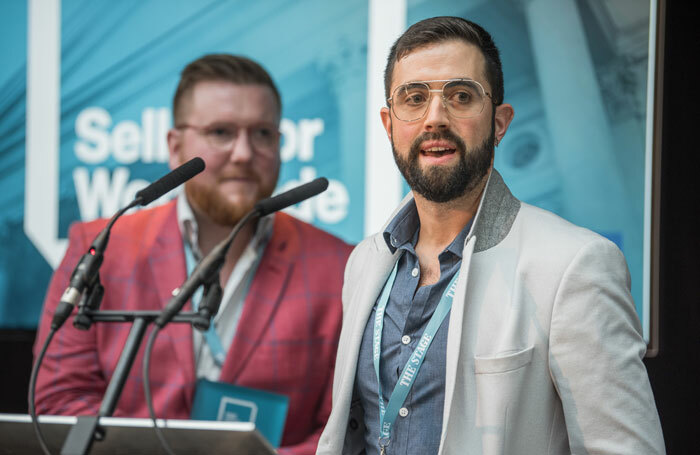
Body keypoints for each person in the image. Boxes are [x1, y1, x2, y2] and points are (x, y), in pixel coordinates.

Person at [317, 17, 665, 455]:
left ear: (499, 123)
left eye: (461, 97)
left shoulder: (575, 265)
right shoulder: (364, 263)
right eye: (414, 98)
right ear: (389, 124)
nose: (434, 118)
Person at [33, 54, 352, 454]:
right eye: (221, 132)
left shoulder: (341, 266)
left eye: (262, 134)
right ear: (174, 145)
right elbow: (59, 401)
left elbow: (341, 430)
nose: (243, 153)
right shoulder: (100, 246)